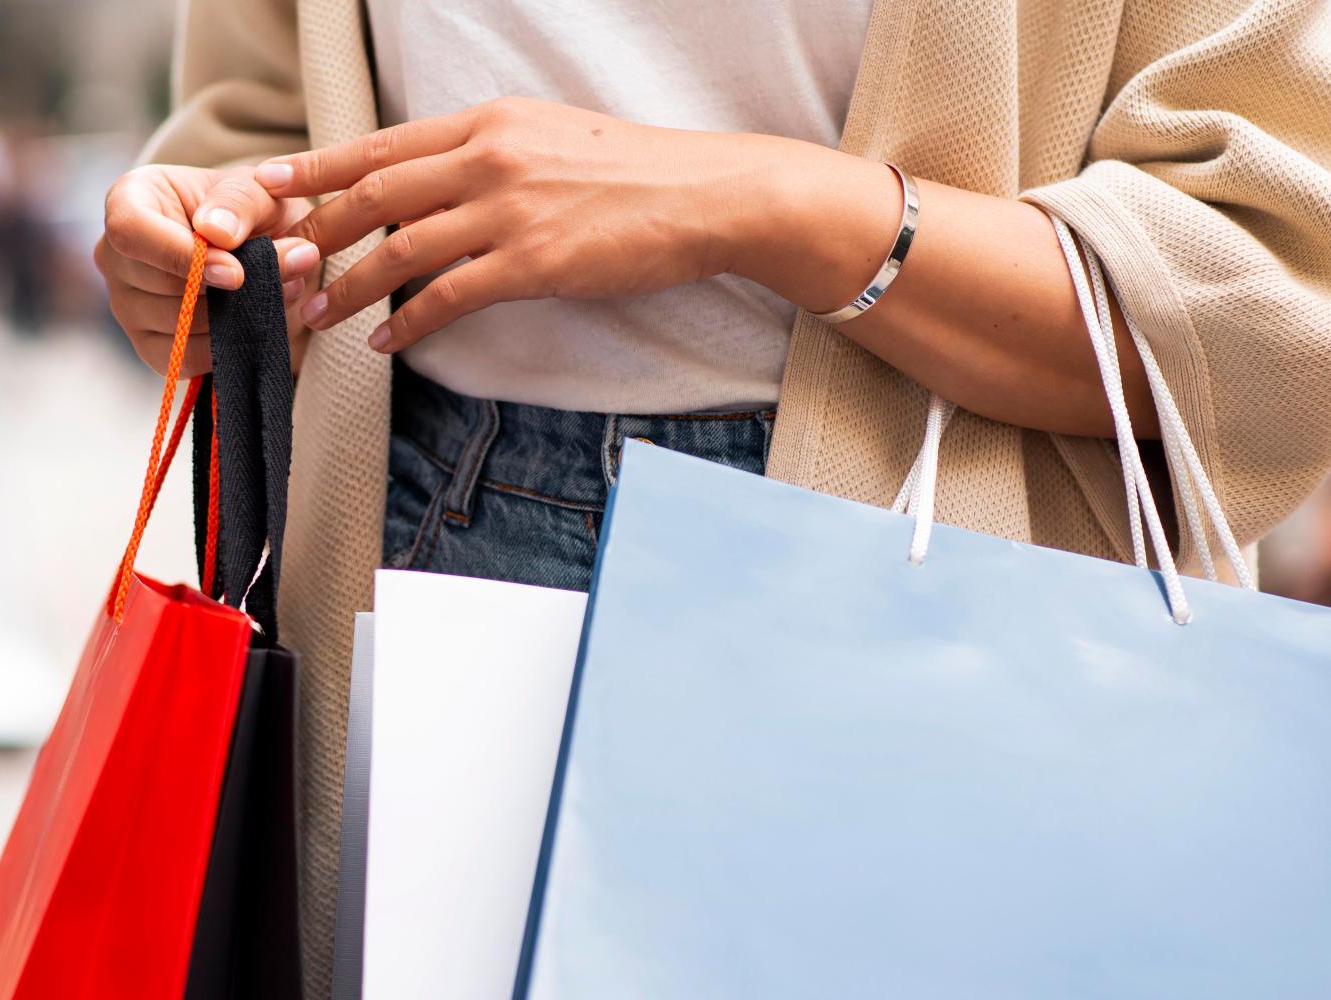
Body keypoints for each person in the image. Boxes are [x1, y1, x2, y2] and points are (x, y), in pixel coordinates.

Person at [92, 0, 1331, 991]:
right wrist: (223, 236)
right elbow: (265, 114)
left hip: (937, 568)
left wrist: (758, 204)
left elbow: (1275, 308)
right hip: (405, 553)